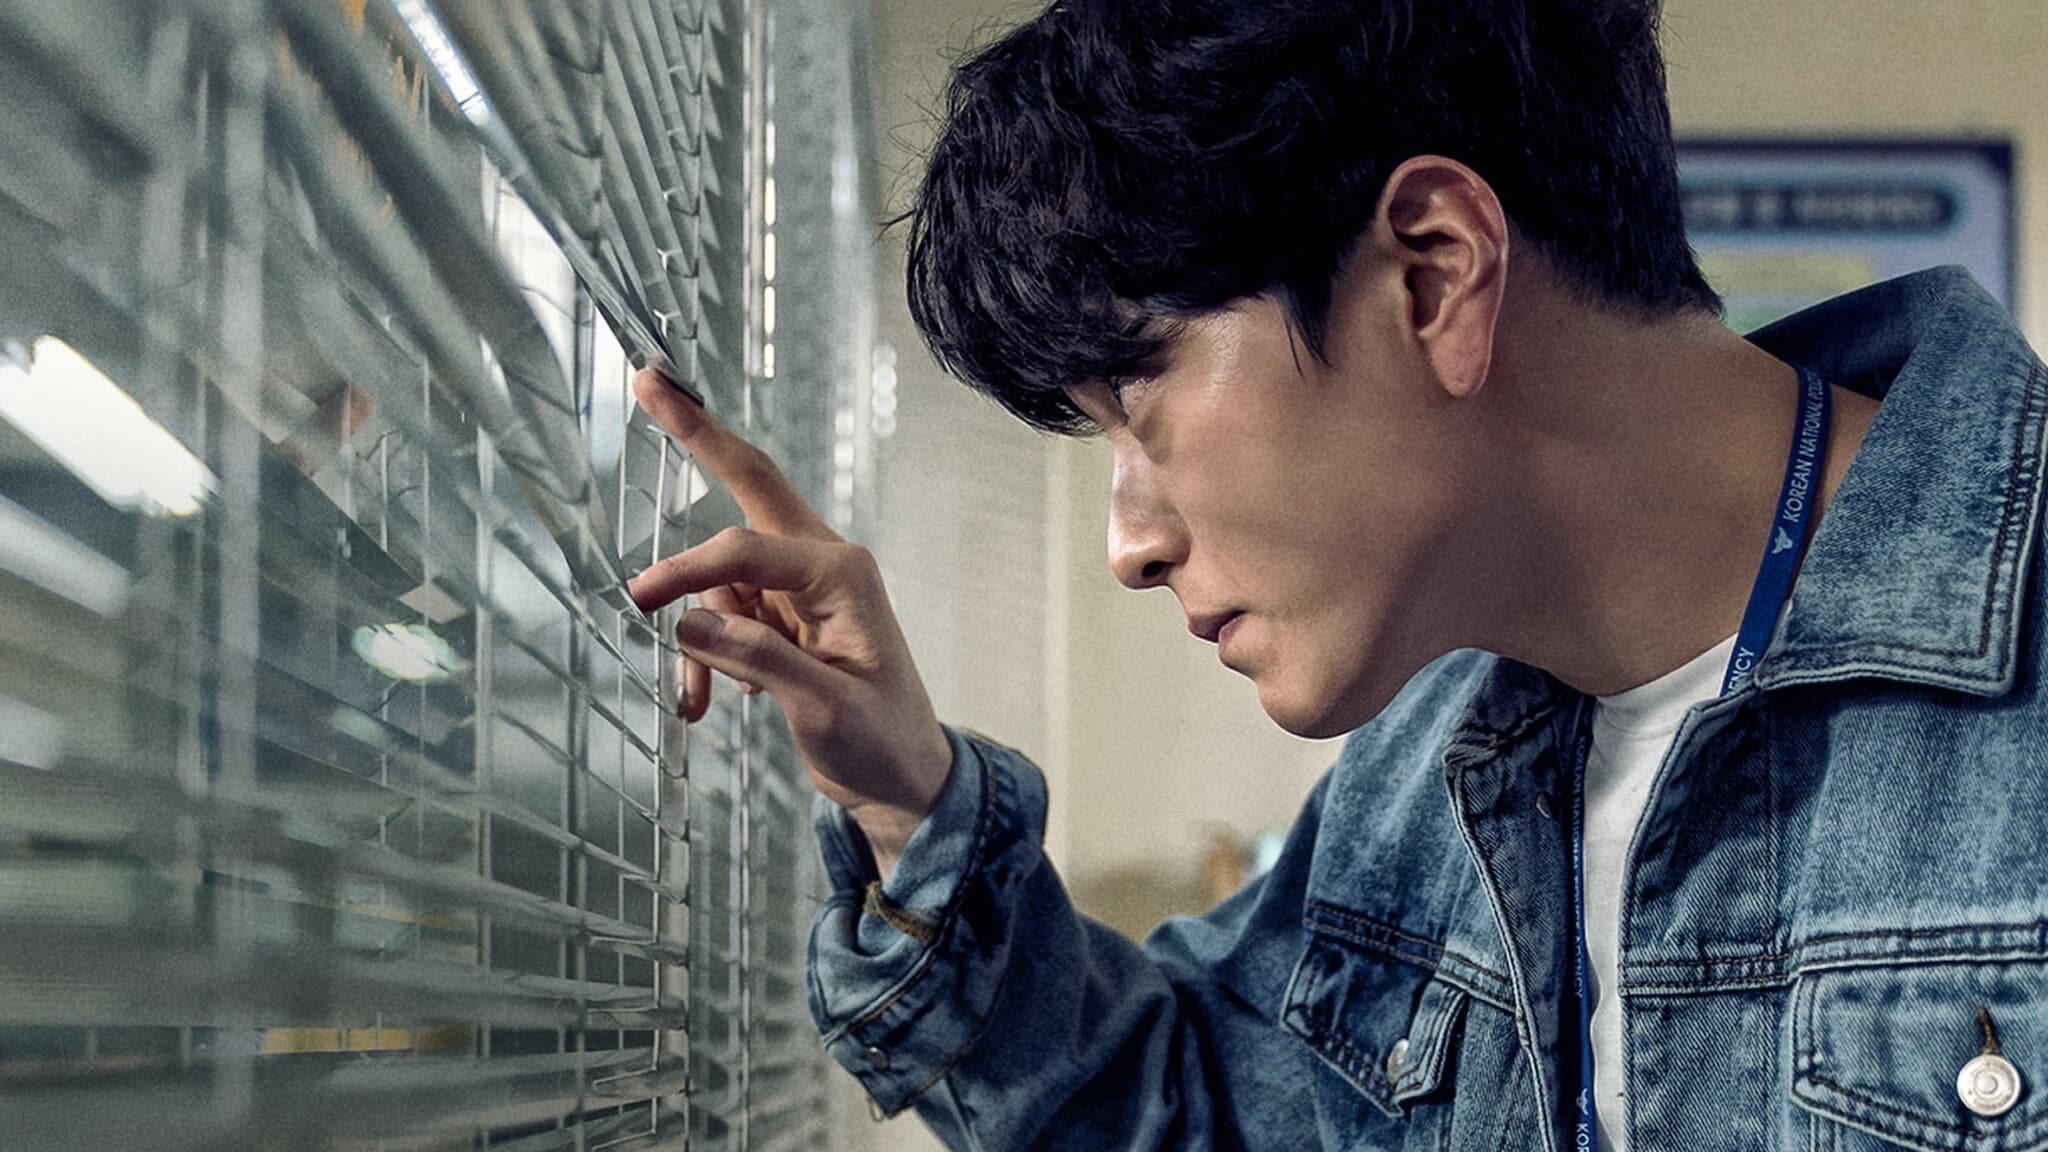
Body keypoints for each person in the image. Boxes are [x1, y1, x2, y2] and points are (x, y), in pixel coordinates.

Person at [626, 0, 2048, 1148]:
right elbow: (1192, 1113)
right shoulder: (1433, 763)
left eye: (1138, 400)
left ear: (1434, 274)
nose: (1129, 544)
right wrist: (905, 801)